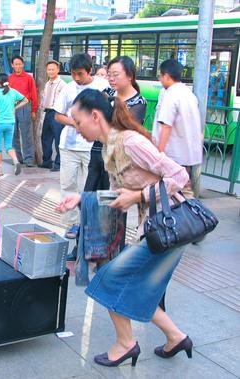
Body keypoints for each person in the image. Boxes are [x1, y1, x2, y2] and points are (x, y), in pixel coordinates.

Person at [57, 89, 191, 368]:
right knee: (140, 287)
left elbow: (180, 175)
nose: (76, 127)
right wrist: (82, 199)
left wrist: (140, 196)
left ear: (95, 116)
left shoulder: (129, 142)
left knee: (109, 279)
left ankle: (126, 344)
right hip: (154, 228)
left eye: (77, 121)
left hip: (169, 226)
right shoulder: (110, 146)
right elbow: (120, 196)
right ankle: (176, 337)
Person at [54, 53, 109, 239]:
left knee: (87, 188)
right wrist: (76, 123)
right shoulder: (68, 89)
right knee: (68, 185)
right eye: (73, 74)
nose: (77, 78)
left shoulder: (102, 87)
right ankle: (72, 224)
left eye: (80, 74)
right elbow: (58, 115)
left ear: (89, 71)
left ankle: (88, 223)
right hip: (68, 146)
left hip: (92, 148)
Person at [84, 56, 148, 194]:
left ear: (130, 76)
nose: (111, 78)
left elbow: (124, 130)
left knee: (114, 202)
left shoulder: (138, 102)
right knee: (89, 196)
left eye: (116, 74)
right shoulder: (108, 92)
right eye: (109, 74)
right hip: (97, 151)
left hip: (119, 158)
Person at [152, 59, 202, 198]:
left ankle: (191, 217)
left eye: (160, 76)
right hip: (186, 154)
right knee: (183, 189)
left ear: (167, 76)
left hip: (173, 155)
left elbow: (166, 126)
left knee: (177, 193)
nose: (160, 80)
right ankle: (192, 215)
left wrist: (159, 153)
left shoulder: (171, 95)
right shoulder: (188, 94)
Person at [0, 73, 28, 176]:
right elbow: (26, 100)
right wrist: (15, 107)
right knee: (9, 145)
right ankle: (16, 161)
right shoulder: (13, 92)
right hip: (10, 123)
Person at [9, 56, 38, 167]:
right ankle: (17, 158)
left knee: (27, 134)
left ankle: (29, 159)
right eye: (15, 64)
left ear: (23, 64)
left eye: (19, 64)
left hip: (25, 106)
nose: (18, 66)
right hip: (12, 107)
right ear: (12, 65)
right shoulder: (9, 78)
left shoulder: (28, 78)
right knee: (13, 133)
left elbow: (34, 94)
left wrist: (33, 109)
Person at [39, 60, 66, 172]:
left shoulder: (62, 84)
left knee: (58, 139)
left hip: (57, 113)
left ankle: (59, 163)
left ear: (58, 70)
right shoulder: (47, 83)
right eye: (49, 69)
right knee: (45, 137)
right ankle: (47, 161)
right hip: (48, 112)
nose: (50, 71)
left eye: (53, 69)